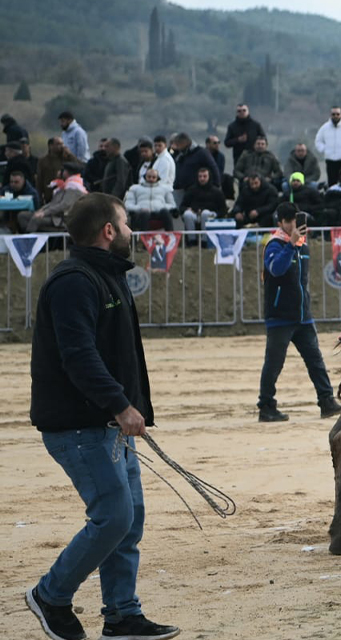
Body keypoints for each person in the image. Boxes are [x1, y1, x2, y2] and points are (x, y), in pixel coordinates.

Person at [25, 193, 182, 640]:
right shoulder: (74, 281)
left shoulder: (105, 275)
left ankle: (121, 616)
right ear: (109, 231)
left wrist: (128, 410)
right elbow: (79, 357)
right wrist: (120, 404)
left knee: (128, 518)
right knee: (113, 516)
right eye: (127, 223)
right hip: (79, 426)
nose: (132, 232)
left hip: (107, 425)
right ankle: (50, 596)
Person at [258, 203, 341, 422]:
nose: (293, 225)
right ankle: (266, 406)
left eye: (295, 220)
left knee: (315, 360)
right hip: (279, 316)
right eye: (288, 221)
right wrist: (290, 245)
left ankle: (326, 400)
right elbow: (276, 269)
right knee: (274, 363)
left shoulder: (302, 246)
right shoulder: (274, 244)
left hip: (302, 316)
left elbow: (302, 280)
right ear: (280, 223)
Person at [20, 164, 87, 233]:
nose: (59, 172)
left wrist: (44, 213)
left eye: (62, 170)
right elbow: (53, 203)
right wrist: (41, 210)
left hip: (61, 219)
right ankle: (30, 235)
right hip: (53, 215)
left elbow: (63, 205)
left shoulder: (74, 188)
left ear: (66, 173)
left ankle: (30, 240)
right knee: (22, 216)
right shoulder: (64, 186)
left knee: (36, 219)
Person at [169, 133, 219, 207]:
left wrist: (216, 185)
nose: (177, 147)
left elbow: (213, 167)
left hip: (197, 190)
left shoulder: (201, 153)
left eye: (178, 145)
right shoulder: (181, 154)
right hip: (181, 189)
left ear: (184, 143)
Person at [38, 138, 76, 204]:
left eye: (62, 144)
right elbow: (40, 179)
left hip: (64, 193)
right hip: (49, 193)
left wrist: (70, 155)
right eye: (58, 144)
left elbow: (78, 166)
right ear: (51, 146)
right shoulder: (43, 161)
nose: (62, 146)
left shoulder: (66, 158)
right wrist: (40, 195)